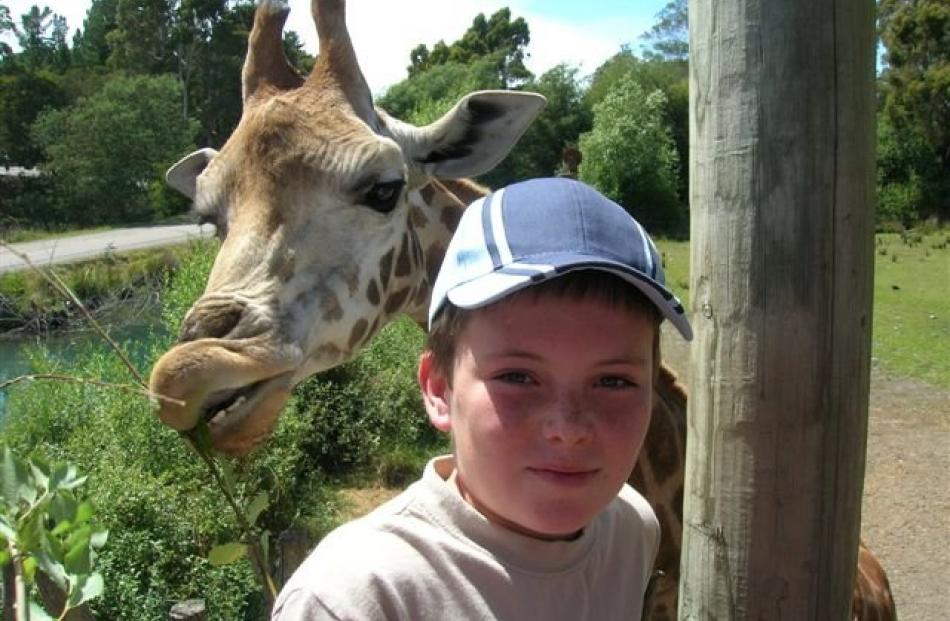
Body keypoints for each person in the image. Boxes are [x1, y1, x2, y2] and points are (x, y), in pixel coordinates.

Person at [271, 177, 693, 620]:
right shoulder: (356, 598)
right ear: (439, 388)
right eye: (518, 377)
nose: (568, 429)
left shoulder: (631, 530)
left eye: (613, 382)